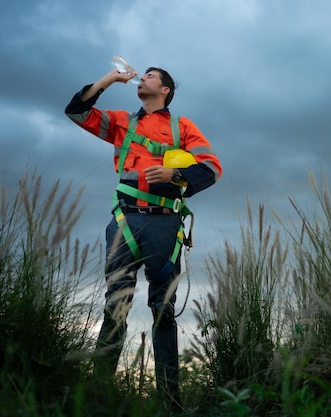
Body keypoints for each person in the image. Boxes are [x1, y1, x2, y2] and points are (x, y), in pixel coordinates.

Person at [65, 65, 222, 409]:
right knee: (115, 306)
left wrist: (175, 172)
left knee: (163, 311)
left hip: (164, 224)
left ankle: (171, 403)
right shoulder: (124, 122)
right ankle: (100, 397)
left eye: (151, 76)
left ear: (165, 90)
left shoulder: (182, 127)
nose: (143, 79)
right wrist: (108, 79)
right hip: (123, 221)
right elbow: (77, 111)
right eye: (143, 75)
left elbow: (212, 168)